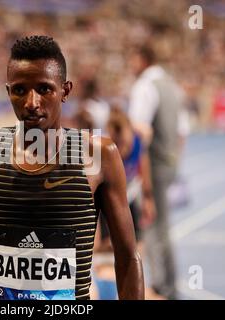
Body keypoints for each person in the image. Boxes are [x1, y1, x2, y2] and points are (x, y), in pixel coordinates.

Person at [0, 35, 144, 300]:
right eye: (20, 90)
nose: (31, 103)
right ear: (8, 92)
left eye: (44, 89)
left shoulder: (98, 155)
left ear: (65, 91)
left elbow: (127, 257)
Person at [127, 45, 185, 300]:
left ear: (142, 59)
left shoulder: (144, 86)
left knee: (152, 225)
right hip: (169, 162)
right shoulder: (172, 85)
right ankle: (168, 284)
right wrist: (174, 163)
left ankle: (161, 287)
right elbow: (183, 131)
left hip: (151, 166)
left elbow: (140, 130)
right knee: (162, 227)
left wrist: (136, 170)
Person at [92, 107, 156, 299]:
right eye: (120, 145)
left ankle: (138, 281)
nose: (124, 149)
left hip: (131, 193)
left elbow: (144, 169)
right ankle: (102, 281)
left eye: (126, 144)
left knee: (134, 243)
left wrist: (148, 198)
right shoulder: (104, 147)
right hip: (108, 195)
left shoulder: (138, 142)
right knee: (105, 242)